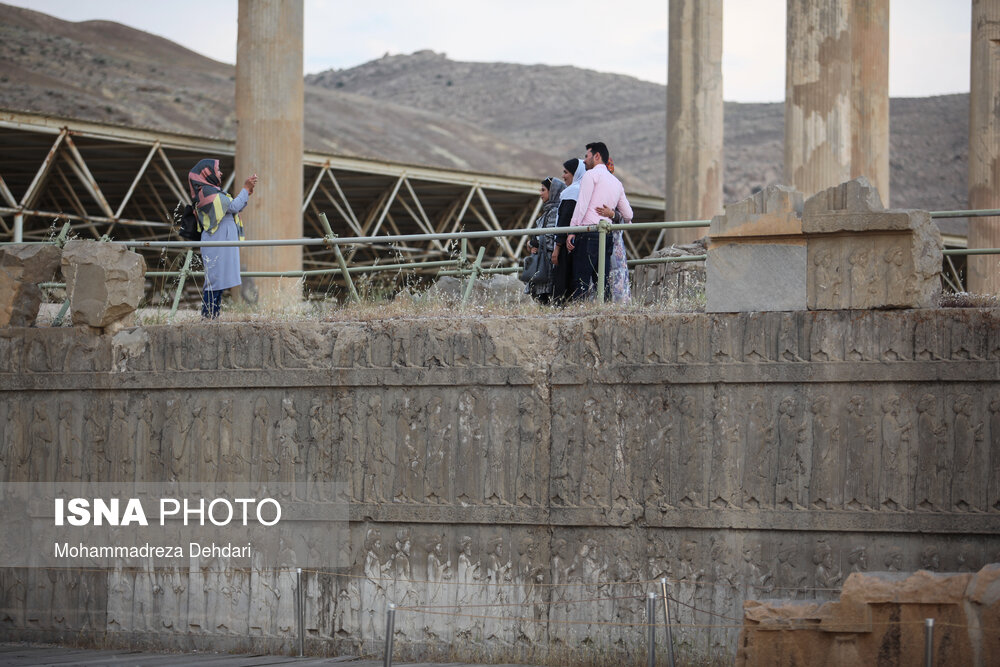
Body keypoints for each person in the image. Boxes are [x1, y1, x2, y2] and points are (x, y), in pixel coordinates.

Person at [187, 159, 257, 318]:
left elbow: (232, 206)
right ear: (208, 173)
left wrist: (246, 192)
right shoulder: (207, 192)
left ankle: (212, 317)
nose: (220, 173)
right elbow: (233, 206)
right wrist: (245, 189)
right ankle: (208, 317)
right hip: (217, 241)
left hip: (222, 241)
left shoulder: (214, 192)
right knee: (215, 282)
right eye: (218, 170)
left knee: (219, 281)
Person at [567, 142, 633, 300]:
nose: (584, 160)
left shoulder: (590, 175)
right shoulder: (616, 182)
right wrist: (612, 214)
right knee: (602, 281)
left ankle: (580, 314)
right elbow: (629, 215)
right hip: (607, 236)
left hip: (588, 233)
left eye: (586, 156)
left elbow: (582, 205)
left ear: (597, 156)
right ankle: (605, 311)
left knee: (581, 280)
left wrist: (571, 230)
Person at [551, 158, 587, 304]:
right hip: (580, 244)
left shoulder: (572, 192)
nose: (563, 176)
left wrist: (557, 248)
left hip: (567, 246)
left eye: (566, 172)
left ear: (575, 173)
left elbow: (564, 222)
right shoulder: (585, 191)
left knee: (562, 282)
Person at [526, 177, 566, 303]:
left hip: (549, 264)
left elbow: (549, 237)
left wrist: (532, 243)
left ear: (553, 191)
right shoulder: (547, 212)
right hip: (543, 261)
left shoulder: (555, 212)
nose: (540, 194)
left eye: (543, 190)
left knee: (547, 298)